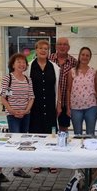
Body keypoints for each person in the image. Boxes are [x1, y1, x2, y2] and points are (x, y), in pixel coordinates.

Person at [26, 40, 60, 174]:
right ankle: (37, 162)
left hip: (51, 106)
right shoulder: (29, 67)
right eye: (40, 48)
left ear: (49, 51)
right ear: (36, 50)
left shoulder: (55, 67)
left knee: (52, 134)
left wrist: (59, 105)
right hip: (35, 107)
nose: (43, 50)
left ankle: (51, 161)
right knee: (36, 134)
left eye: (46, 48)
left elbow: (58, 88)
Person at [0, 53, 34, 179]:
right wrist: (13, 111)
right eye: (18, 62)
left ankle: (18, 168)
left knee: (22, 141)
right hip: (12, 115)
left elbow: (31, 97)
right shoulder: (7, 78)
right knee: (15, 140)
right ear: (13, 64)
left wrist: (25, 111)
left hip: (26, 115)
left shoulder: (27, 79)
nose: (21, 64)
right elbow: (3, 98)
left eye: (23, 62)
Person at [66, 47, 97, 135]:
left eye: (87, 55)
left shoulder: (94, 72)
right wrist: (68, 107)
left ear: (90, 58)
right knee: (77, 134)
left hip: (91, 107)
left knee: (90, 134)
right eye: (83, 55)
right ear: (79, 56)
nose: (85, 57)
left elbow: (96, 89)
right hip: (76, 108)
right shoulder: (72, 72)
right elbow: (68, 90)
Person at [49, 37, 78, 132]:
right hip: (51, 100)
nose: (62, 46)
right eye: (60, 44)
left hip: (66, 101)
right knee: (50, 128)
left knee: (63, 128)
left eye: (65, 44)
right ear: (56, 46)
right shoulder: (49, 59)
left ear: (68, 47)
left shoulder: (74, 62)